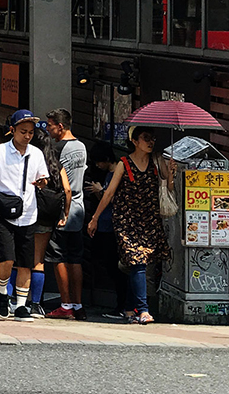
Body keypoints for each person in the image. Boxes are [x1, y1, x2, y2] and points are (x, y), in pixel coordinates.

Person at [87, 126, 175, 325]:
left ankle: (129, 308)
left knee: (139, 264)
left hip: (150, 219)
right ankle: (143, 310)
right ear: (135, 141)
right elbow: (109, 193)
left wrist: (170, 174)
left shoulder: (156, 161)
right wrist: (95, 218)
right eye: (145, 138)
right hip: (126, 220)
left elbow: (168, 188)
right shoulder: (123, 163)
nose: (150, 142)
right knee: (138, 262)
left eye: (152, 138)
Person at [0, 109, 50, 320]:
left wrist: (43, 183)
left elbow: (43, 179)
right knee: (7, 258)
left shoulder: (35, 154)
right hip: (1, 211)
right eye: (23, 131)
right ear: (12, 130)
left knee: (26, 262)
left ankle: (20, 305)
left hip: (28, 212)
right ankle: (2, 293)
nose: (27, 136)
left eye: (30, 132)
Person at [44, 109, 88, 320]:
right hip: (79, 208)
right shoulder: (81, 146)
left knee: (58, 256)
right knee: (76, 258)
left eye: (50, 125)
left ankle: (66, 304)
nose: (47, 129)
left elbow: (59, 182)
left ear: (60, 127)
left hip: (62, 206)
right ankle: (78, 305)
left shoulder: (57, 148)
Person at [26, 124, 71, 316]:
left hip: (28, 213)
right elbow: (67, 189)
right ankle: (37, 304)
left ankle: (18, 300)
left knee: (21, 260)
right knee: (39, 260)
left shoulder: (29, 161)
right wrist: (65, 214)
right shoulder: (55, 164)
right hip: (47, 215)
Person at [85, 142, 131, 319]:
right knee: (107, 263)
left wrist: (102, 190)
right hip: (104, 224)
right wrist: (99, 193)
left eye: (98, 161)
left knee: (115, 267)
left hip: (112, 227)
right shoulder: (108, 174)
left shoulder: (117, 174)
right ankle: (121, 304)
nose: (97, 165)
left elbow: (116, 200)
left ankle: (122, 305)